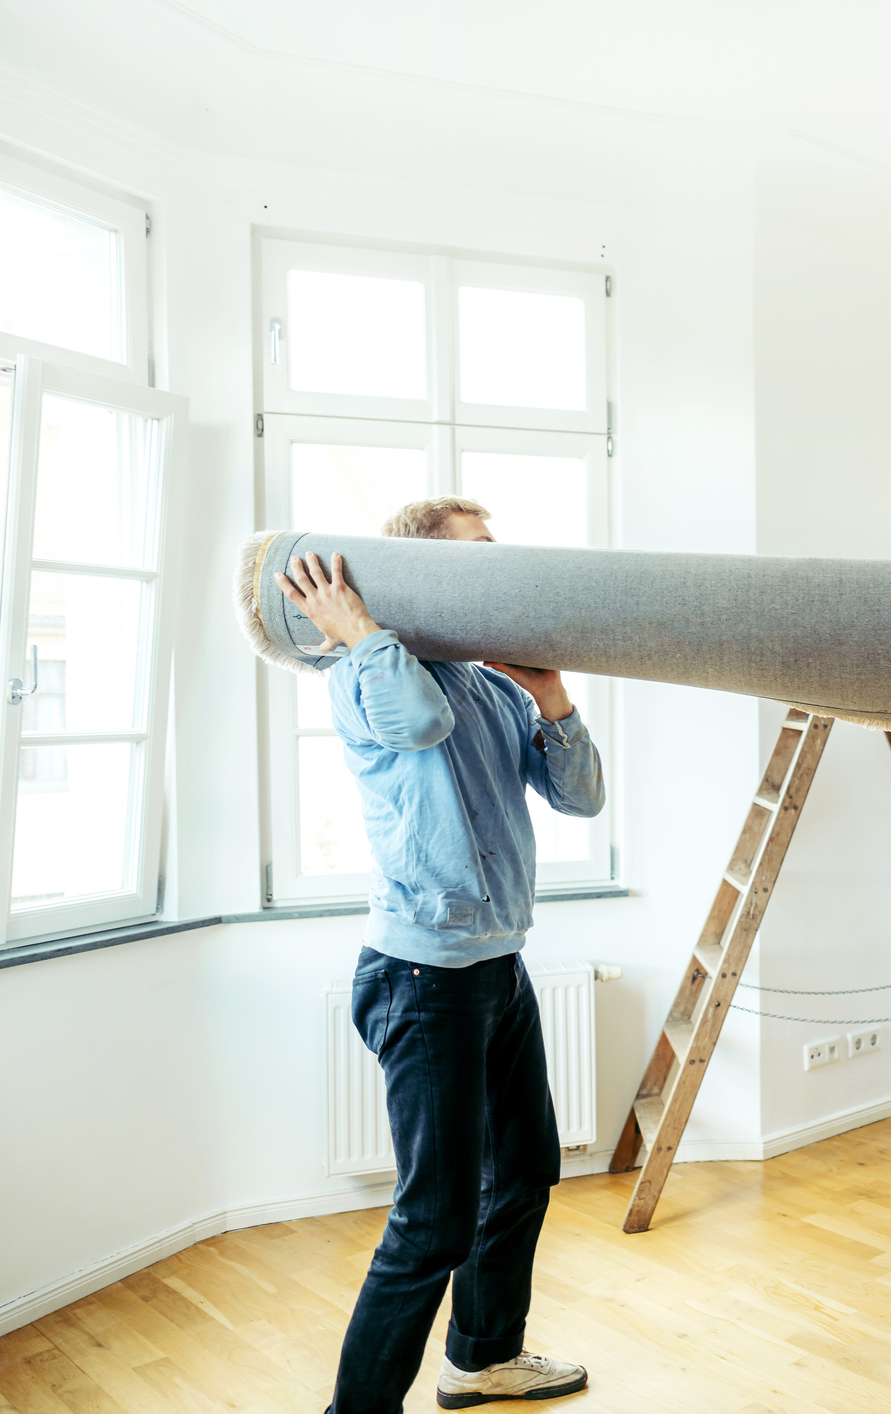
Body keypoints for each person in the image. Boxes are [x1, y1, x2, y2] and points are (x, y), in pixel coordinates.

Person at [276, 496, 605, 1413]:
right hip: (422, 978)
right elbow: (417, 726)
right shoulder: (362, 673)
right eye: (474, 555)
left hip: (497, 966)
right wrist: (360, 630)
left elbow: (580, 801)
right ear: (424, 572)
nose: (497, 568)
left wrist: (551, 698)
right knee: (433, 1222)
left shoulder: (496, 687)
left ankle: (482, 1358)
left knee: (527, 1169)